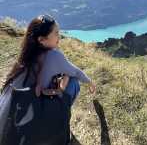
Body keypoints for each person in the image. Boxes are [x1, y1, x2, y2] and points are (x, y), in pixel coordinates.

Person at [0, 14, 96, 143]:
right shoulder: (54, 55)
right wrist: (90, 82)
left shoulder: (25, 55)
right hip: (36, 114)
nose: (59, 36)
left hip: (12, 117)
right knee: (73, 82)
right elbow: (76, 72)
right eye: (56, 33)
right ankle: (59, 117)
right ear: (42, 40)